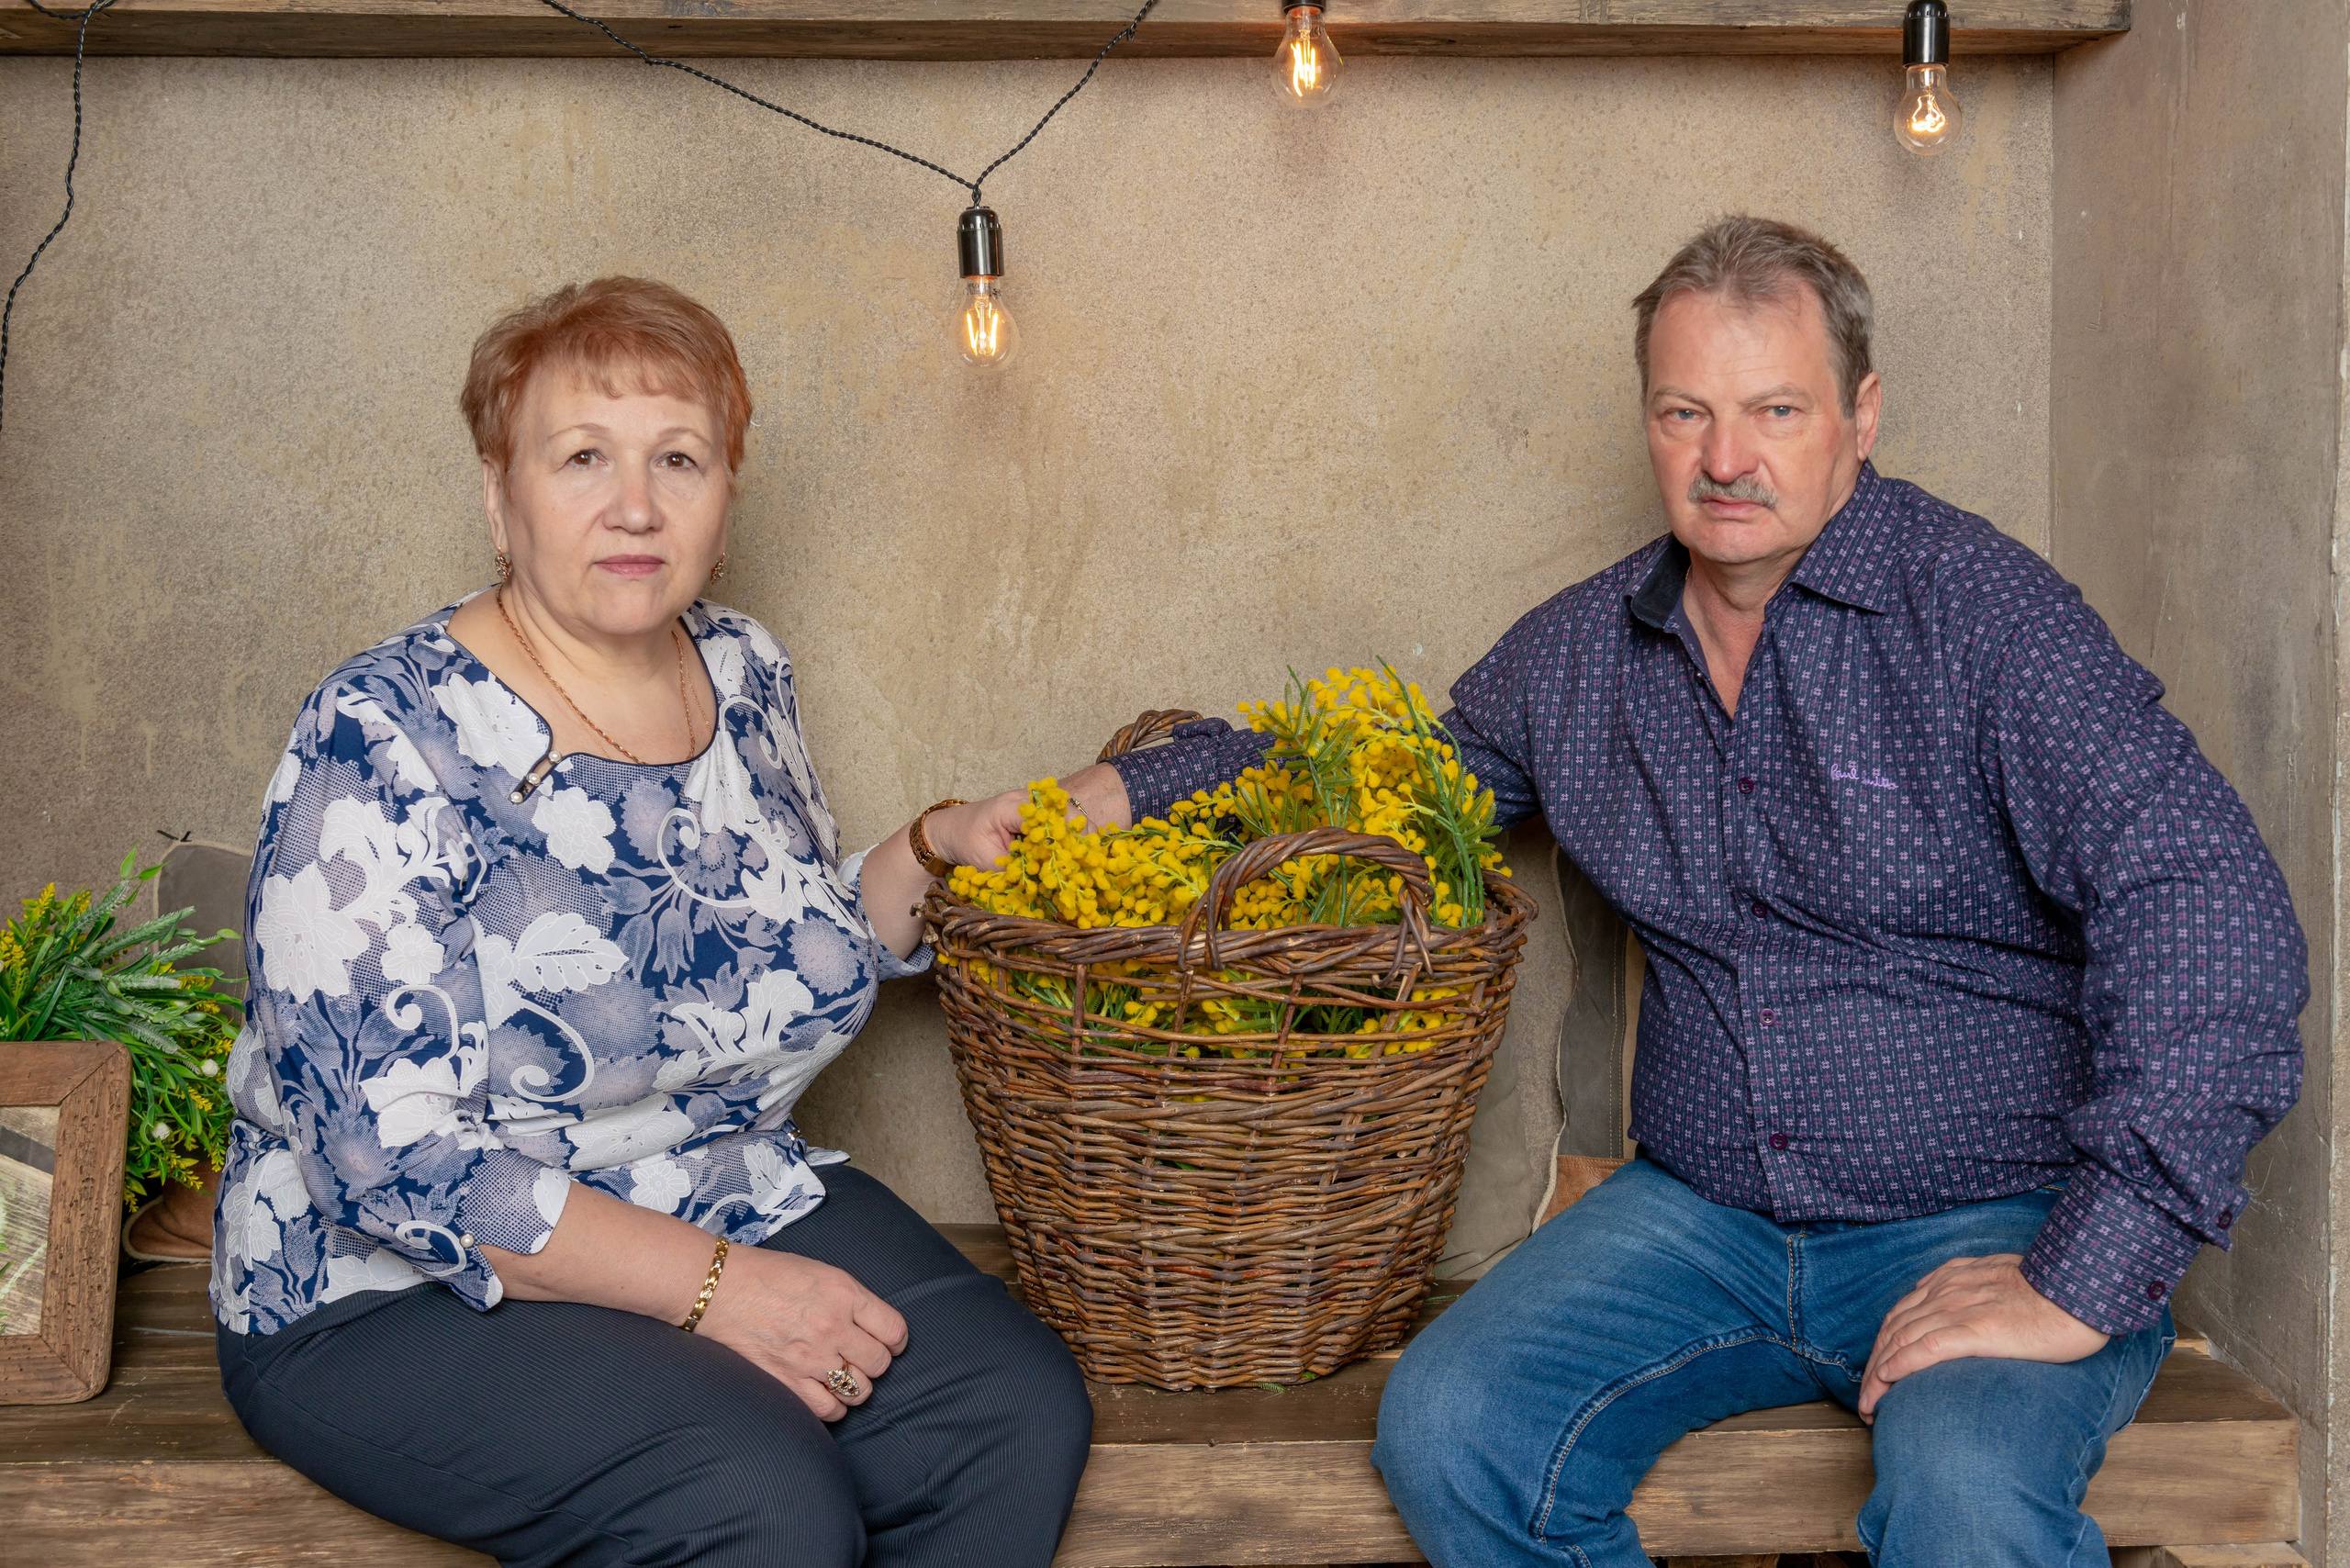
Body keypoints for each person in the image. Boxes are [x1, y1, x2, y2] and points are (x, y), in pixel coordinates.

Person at [1057, 216, 2309, 1566]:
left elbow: (2213, 910)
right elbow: (1401, 787)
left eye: (1776, 409)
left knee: (1966, 1488)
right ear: (1647, 422)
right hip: (1699, 1220)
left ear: (1861, 415)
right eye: (1685, 412)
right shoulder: (1582, 651)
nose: (1726, 459)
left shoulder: (1991, 622)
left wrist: (2081, 1278)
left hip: (1992, 1216)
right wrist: (1150, 793)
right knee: (1451, 1423)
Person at [211, 276, 1080, 1568]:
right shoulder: (381, 731)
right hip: (386, 1283)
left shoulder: (741, 669)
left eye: (680, 457)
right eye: (581, 459)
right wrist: (721, 1294)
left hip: (708, 1183)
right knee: (755, 1500)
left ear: (727, 498)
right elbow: (384, 1156)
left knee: (1007, 1414)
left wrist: (932, 845)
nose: (635, 505)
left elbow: (754, 947)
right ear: (499, 499)